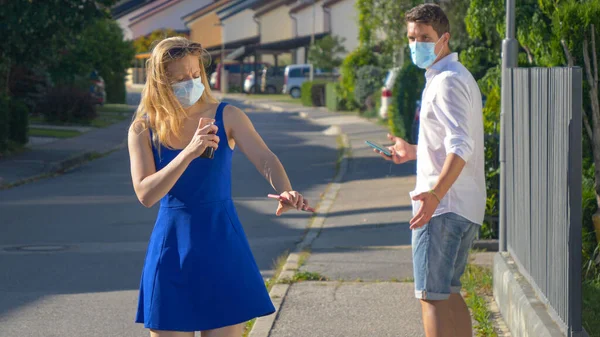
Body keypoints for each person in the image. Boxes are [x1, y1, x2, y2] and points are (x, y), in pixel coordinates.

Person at [128, 37, 311, 337]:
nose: (191, 82)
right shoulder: (143, 129)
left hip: (221, 244)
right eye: (180, 78)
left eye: (195, 74)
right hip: (171, 248)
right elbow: (146, 194)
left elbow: (265, 158)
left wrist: (285, 189)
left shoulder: (227, 115)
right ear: (161, 82)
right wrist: (189, 152)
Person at [375, 4, 485, 337]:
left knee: (430, 297)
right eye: (412, 37)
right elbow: (452, 143)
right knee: (448, 292)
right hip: (461, 206)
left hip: (440, 209)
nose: (416, 44)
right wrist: (413, 152)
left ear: (444, 38)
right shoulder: (455, 76)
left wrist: (435, 194)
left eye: (425, 37)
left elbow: (461, 146)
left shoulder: (446, 83)